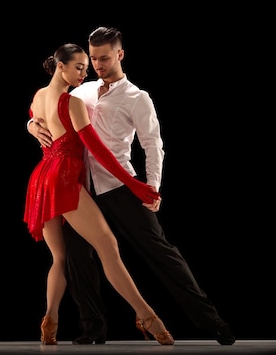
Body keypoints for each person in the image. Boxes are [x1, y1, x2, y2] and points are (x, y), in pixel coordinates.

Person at [27, 27, 236, 345]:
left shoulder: (137, 97)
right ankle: (92, 329)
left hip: (117, 185)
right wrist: (30, 125)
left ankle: (212, 322)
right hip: (80, 184)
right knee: (77, 257)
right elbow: (46, 109)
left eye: (103, 58)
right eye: (91, 59)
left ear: (120, 54)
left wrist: (150, 186)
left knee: (161, 252)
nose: (96, 65)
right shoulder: (79, 92)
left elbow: (154, 145)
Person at [23, 43, 174, 346]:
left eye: (86, 67)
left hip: (42, 178)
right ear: (60, 66)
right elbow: (100, 152)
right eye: (78, 66)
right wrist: (135, 185)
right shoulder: (71, 103)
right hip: (63, 178)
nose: (85, 72)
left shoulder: (38, 97)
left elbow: (36, 121)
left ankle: (49, 321)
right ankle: (147, 316)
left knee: (60, 258)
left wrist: (29, 124)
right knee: (108, 246)